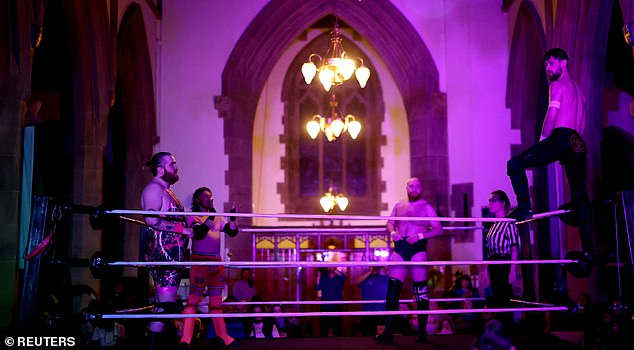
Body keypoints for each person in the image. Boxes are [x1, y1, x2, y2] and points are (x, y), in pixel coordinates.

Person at [506, 48, 594, 258]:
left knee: (515, 164)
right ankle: (588, 250)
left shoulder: (557, 85)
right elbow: (581, 123)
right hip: (577, 142)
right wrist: (572, 145)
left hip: (561, 137)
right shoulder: (579, 91)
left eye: (551, 63)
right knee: (580, 196)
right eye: (545, 64)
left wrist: (543, 141)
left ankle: (524, 207)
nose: (547, 68)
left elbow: (551, 114)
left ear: (563, 62)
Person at [375, 177, 443, 343]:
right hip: (401, 245)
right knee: (393, 288)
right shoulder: (399, 205)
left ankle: (422, 331)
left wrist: (420, 235)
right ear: (407, 187)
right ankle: (388, 331)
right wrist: (392, 233)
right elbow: (390, 223)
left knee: (420, 290)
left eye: (417, 186)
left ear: (421, 188)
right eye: (411, 186)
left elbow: (438, 229)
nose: (414, 189)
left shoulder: (426, 207)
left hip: (417, 246)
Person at [140, 152, 193, 349]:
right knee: (166, 306)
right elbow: (151, 220)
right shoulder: (153, 189)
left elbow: (172, 218)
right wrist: (182, 229)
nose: (176, 168)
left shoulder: (167, 191)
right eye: (172, 165)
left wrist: (190, 221)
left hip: (172, 257)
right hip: (163, 256)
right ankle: (154, 346)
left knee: (165, 306)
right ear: (160, 169)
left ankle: (154, 345)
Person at [179, 187, 240, 349]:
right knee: (193, 300)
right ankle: (186, 338)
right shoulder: (192, 215)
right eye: (205, 196)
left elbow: (232, 232)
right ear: (197, 199)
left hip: (215, 262)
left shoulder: (217, 217)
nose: (209, 198)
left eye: (210, 196)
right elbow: (199, 233)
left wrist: (233, 218)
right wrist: (212, 214)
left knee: (216, 302)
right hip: (199, 261)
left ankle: (223, 336)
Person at [485, 190, 521, 308]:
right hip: (494, 262)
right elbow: (489, 251)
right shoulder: (493, 226)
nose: (490, 204)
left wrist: (512, 270)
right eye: (489, 201)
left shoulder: (509, 223)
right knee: (497, 297)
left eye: (493, 201)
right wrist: (486, 270)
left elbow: (514, 248)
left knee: (504, 297)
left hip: (504, 262)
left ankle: (506, 324)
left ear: (502, 203)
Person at [355, 266, 388, 336]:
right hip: (367, 311)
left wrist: (384, 269)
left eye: (377, 267)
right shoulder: (365, 279)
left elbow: (395, 279)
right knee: (367, 335)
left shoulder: (385, 278)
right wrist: (370, 272)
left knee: (381, 335)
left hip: (382, 311)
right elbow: (357, 282)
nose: (376, 269)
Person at [315, 267, 346, 337]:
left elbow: (344, 278)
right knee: (323, 331)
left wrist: (334, 269)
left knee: (338, 331)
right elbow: (317, 287)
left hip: (337, 307)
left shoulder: (339, 277)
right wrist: (319, 275)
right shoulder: (323, 277)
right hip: (324, 307)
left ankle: (339, 346)